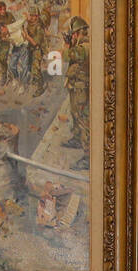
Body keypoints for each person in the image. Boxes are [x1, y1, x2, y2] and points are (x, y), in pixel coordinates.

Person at [61, 15, 88, 169]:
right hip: (76, 86)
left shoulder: (84, 47)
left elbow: (65, 56)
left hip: (81, 88)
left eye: (73, 34)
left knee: (84, 120)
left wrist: (66, 44)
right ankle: (77, 139)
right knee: (76, 115)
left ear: (77, 33)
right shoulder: (81, 45)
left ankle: (88, 157)